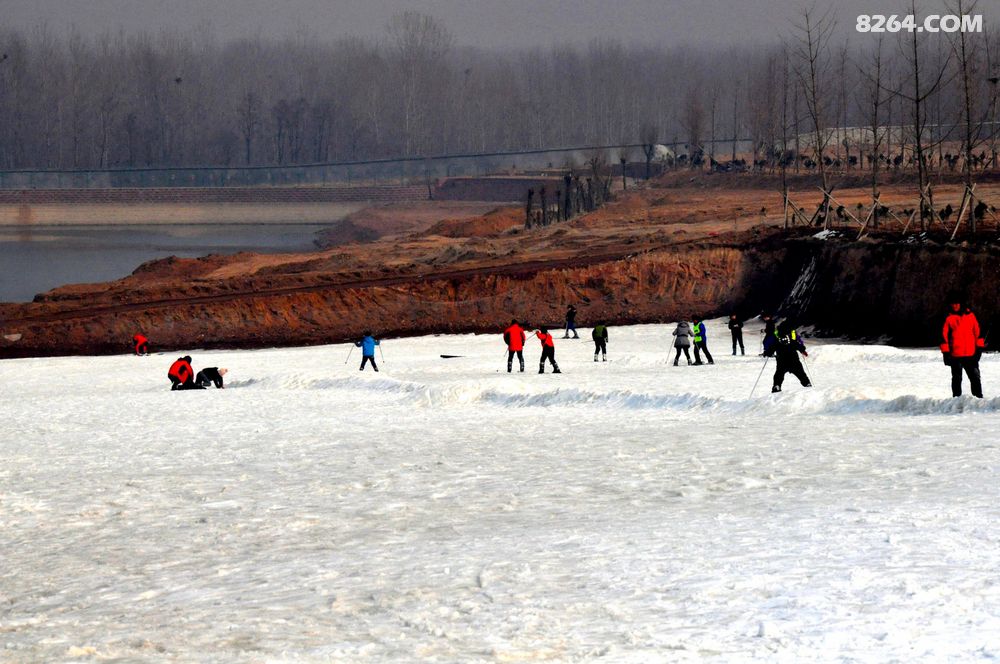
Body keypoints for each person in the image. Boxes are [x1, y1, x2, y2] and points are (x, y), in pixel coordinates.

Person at [941, 296, 985, 398]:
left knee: (975, 378)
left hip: (971, 354)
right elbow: (943, 336)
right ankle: (956, 401)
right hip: (955, 355)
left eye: (957, 303)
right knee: (956, 379)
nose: (954, 306)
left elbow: (978, 332)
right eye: (953, 304)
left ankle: (978, 399)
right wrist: (946, 353)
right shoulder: (948, 317)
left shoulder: (971, 315)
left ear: (961, 304)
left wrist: (979, 349)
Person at [764, 321, 811, 393]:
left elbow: (771, 346)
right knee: (801, 373)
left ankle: (777, 385)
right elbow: (798, 344)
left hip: (781, 360)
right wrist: (802, 349)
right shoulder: (792, 334)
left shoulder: (776, 335)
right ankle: (807, 384)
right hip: (794, 359)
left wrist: (768, 352)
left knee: (779, 374)